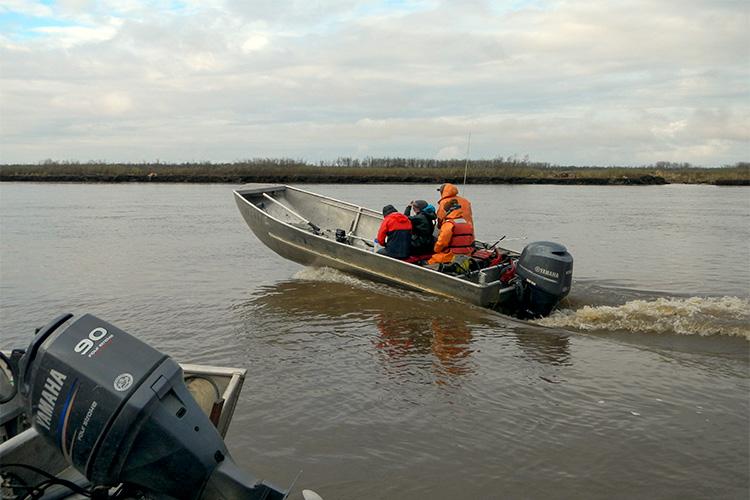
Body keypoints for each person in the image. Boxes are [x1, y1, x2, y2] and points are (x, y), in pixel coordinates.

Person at [428, 199, 475, 265]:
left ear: (448, 211)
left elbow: (442, 243)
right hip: (466, 255)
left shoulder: (449, 224)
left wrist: (435, 250)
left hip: (451, 255)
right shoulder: (467, 223)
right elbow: (471, 241)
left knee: (430, 261)